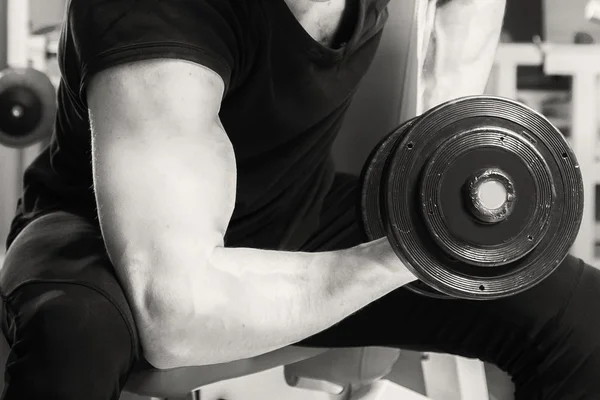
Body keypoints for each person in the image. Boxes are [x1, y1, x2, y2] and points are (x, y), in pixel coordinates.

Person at [1, 0, 598, 399]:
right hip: (117, 242)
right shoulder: (157, 14)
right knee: (71, 337)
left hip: (297, 208)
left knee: (580, 318)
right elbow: (175, 318)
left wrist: (435, 156)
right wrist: (421, 242)